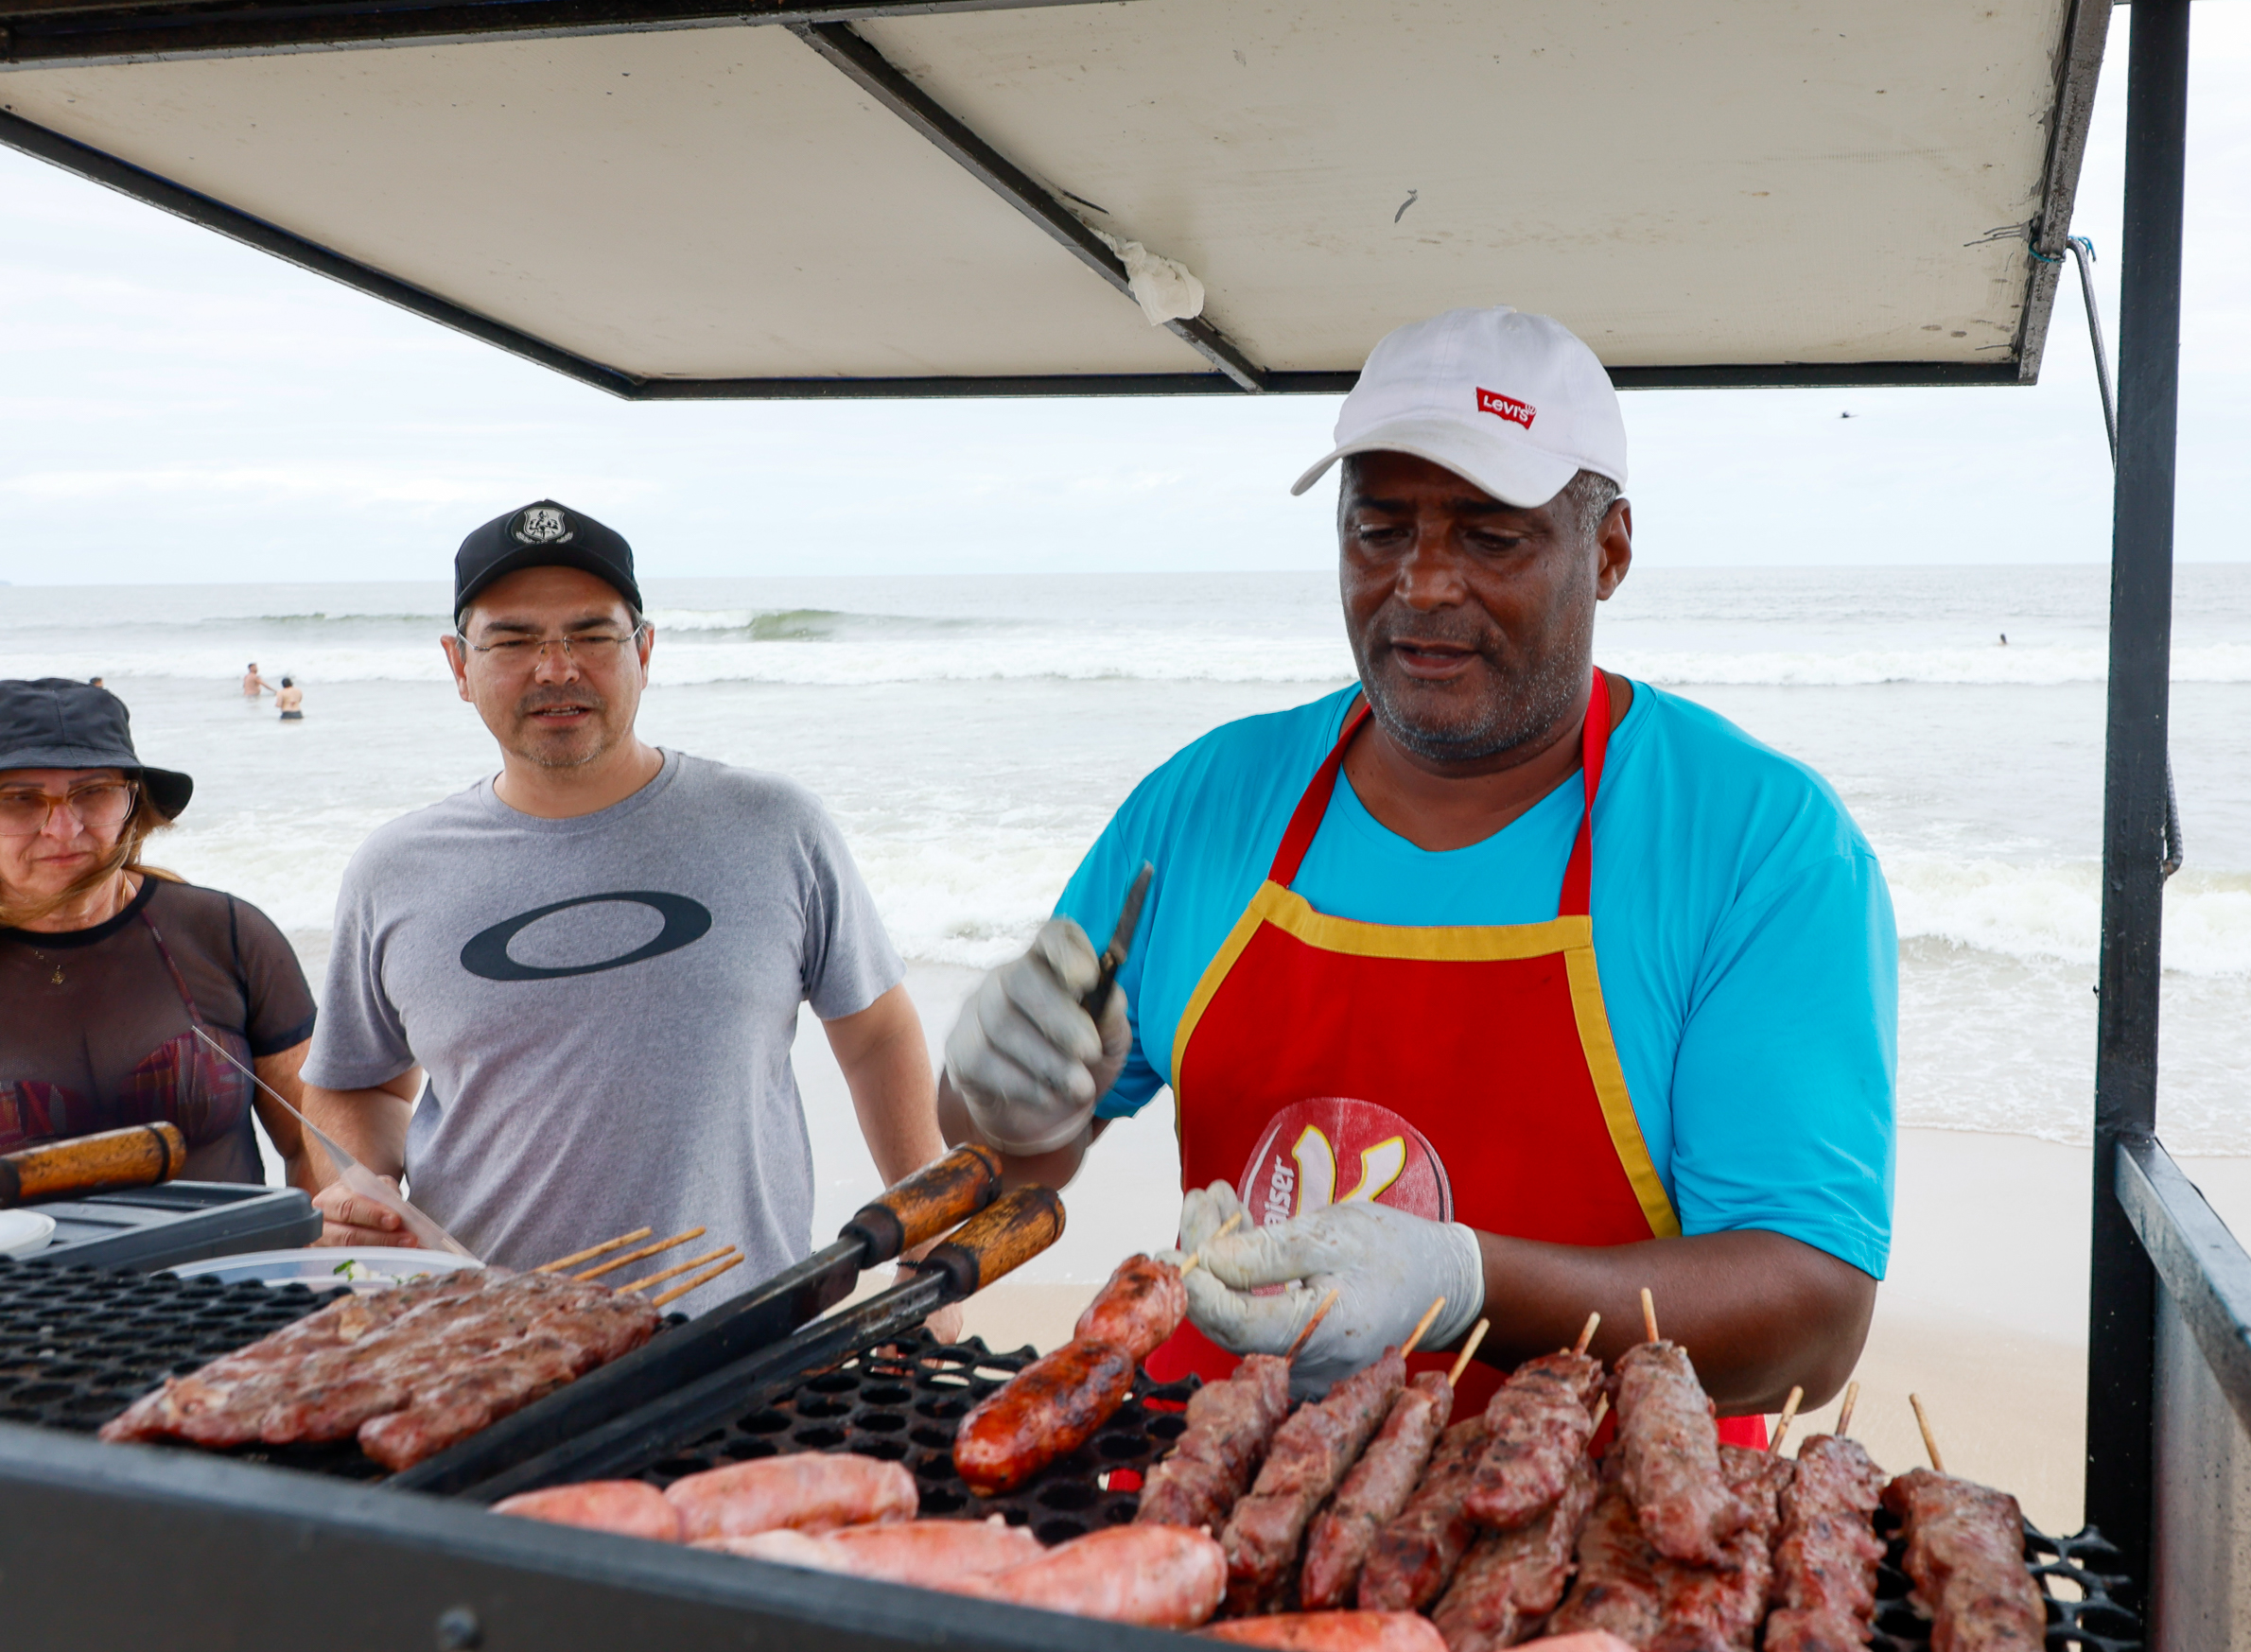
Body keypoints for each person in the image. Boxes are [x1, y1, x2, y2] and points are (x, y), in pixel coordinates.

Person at [939, 309, 1896, 1418]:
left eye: (1491, 536)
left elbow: (1814, 1324)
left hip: (1598, 1549)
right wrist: (996, 1100)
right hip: (1208, 1492)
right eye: (1379, 530)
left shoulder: (1756, 842)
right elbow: (1009, 1166)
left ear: (1612, 549)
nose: (1424, 583)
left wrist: (1463, 1283)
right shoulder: (1205, 801)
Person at [300, 500, 943, 1305]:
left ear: (644, 650)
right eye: (512, 638)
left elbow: (877, 1035)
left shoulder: (775, 827)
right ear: (458, 666)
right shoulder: (394, 869)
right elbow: (351, 1085)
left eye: (592, 635)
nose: (556, 667)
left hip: (742, 1336)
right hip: (476, 1343)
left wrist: (927, 1233)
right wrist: (364, 1190)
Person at [0, 677, 319, 1190]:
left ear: (133, 803)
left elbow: (314, 1142)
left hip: (233, 1266)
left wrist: (320, 1255)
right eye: (19, 799)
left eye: (93, 793)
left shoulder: (226, 935)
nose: (63, 829)